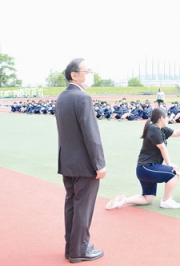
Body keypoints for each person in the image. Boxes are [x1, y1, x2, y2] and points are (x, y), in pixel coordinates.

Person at [55, 58, 106, 263]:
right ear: (74, 75)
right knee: (83, 208)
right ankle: (79, 251)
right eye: (87, 71)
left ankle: (73, 246)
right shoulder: (83, 98)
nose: (90, 74)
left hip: (67, 162)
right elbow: (91, 135)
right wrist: (99, 163)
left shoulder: (62, 97)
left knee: (72, 206)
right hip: (85, 164)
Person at [105, 108, 180, 210]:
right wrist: (169, 164)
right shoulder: (153, 129)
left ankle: (123, 201)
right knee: (174, 173)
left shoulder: (161, 129)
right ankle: (166, 201)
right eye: (166, 117)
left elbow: (175, 133)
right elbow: (162, 147)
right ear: (162, 118)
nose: (168, 119)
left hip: (145, 169)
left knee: (148, 199)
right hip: (147, 168)